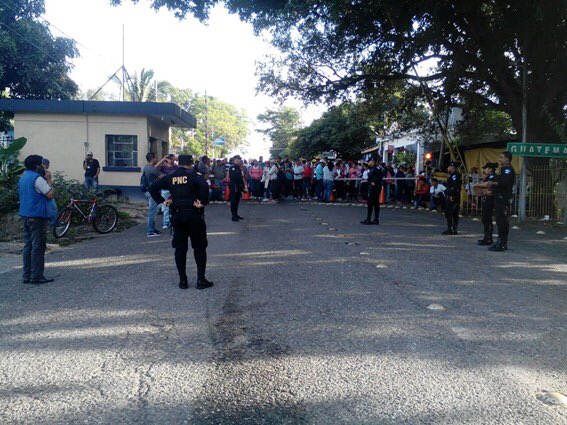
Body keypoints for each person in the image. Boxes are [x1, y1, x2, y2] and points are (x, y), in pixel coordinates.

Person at [149, 155, 213, 290]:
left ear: (179, 163)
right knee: (200, 248)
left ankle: (183, 281)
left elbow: (152, 187)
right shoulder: (195, 175)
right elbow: (205, 187)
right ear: (190, 163)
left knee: (180, 249)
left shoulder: (171, 176)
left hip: (177, 216)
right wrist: (203, 203)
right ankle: (201, 280)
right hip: (194, 215)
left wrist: (162, 201)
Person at [18, 155, 55, 284]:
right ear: (37, 166)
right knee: (38, 246)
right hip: (37, 216)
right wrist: (49, 179)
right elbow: (50, 194)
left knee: (28, 246)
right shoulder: (37, 179)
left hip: (26, 214)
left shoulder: (23, 177)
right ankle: (36, 276)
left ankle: (26, 275)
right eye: (41, 164)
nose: (43, 167)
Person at [487, 151, 516, 251]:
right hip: (500, 196)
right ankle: (500, 242)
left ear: (507, 159)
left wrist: (494, 183)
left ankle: (502, 244)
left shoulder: (508, 170)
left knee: (502, 220)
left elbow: (504, 183)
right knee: (499, 221)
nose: (499, 159)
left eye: (501, 157)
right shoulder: (503, 170)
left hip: (503, 198)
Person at [143, 153, 165, 237]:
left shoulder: (146, 167)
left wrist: (162, 160)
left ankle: (152, 229)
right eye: (156, 158)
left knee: (152, 211)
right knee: (153, 212)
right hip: (152, 192)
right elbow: (162, 176)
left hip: (148, 191)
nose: (157, 159)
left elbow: (154, 167)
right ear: (153, 158)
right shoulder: (153, 169)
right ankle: (150, 231)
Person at [477, 162, 497, 245]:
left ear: (490, 169)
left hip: (490, 200)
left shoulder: (493, 177)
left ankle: (488, 238)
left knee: (487, 219)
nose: (484, 170)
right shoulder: (488, 177)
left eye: (486, 168)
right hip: (486, 200)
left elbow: (491, 189)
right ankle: (486, 237)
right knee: (485, 219)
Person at [361, 158, 383, 224]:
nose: (368, 162)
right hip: (372, 187)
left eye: (369, 161)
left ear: (372, 161)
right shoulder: (372, 169)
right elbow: (370, 178)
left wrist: (375, 182)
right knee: (374, 203)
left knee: (372, 203)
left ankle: (371, 219)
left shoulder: (376, 169)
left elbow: (380, 177)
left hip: (375, 188)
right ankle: (372, 219)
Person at [158, 154, 178, 230]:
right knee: (165, 207)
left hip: (174, 189)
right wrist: (163, 160)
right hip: (165, 190)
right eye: (171, 159)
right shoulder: (163, 168)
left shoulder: (176, 167)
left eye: (173, 159)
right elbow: (154, 168)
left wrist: (178, 160)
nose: (172, 160)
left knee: (175, 206)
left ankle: (173, 222)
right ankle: (166, 222)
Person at [442, 162, 462, 235]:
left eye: (449, 166)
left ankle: (451, 229)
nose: (448, 168)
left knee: (450, 213)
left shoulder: (455, 175)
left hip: (452, 197)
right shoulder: (453, 175)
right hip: (452, 195)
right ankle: (453, 229)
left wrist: (452, 195)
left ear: (452, 167)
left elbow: (455, 186)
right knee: (453, 213)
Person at [41, 158, 58, 227]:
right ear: (46, 164)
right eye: (48, 164)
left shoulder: (37, 173)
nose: (49, 165)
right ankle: (53, 224)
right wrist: (49, 179)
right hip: (47, 192)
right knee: (54, 209)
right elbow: (49, 183)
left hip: (41, 194)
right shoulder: (46, 173)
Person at [228, 155, 246, 221]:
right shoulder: (232, 168)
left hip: (238, 186)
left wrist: (243, 187)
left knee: (237, 201)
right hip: (234, 186)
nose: (240, 161)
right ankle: (233, 216)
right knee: (233, 201)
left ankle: (236, 214)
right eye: (239, 159)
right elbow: (234, 178)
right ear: (235, 159)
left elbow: (241, 178)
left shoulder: (238, 168)